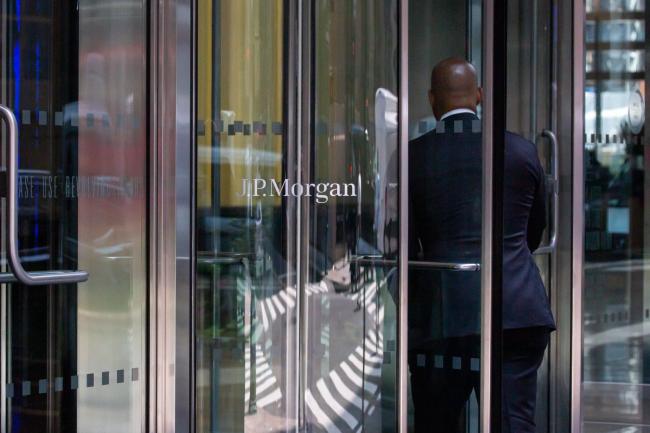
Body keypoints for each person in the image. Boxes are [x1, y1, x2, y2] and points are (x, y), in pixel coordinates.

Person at [408, 57, 556, 433]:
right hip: (516, 311)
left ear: (431, 99)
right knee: (512, 422)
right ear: (479, 95)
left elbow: (403, 242)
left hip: (443, 317)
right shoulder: (521, 151)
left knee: (437, 422)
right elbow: (534, 230)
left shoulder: (414, 156)